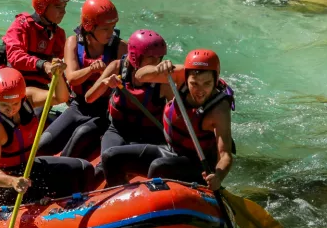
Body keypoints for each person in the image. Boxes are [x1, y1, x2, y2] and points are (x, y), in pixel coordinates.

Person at [97, 49, 234, 192]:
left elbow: (225, 155)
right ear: (187, 78)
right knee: (110, 157)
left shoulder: (219, 110)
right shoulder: (180, 75)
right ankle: (122, 199)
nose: (200, 90)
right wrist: (158, 69)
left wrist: (218, 176)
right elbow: (140, 75)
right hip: (171, 151)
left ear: (215, 80)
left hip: (198, 166)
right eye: (194, 84)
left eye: (207, 84)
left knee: (159, 167)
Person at [0, 65, 97, 205]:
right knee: (39, 191)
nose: (11, 109)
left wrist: (59, 75)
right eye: (4, 105)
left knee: (82, 168)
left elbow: (60, 97)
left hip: (26, 167)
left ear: (22, 97)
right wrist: (12, 181)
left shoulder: (28, 98)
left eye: (15, 103)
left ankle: (81, 206)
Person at [37, 0, 126, 159]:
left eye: (113, 27)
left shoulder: (120, 47)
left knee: (81, 135)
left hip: (105, 111)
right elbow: (72, 78)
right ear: (89, 26)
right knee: (43, 144)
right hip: (78, 105)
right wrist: (92, 69)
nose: (111, 33)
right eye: (105, 29)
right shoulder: (73, 42)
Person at [95, 30, 183, 185]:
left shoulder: (164, 82)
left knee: (124, 162)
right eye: (150, 57)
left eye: (159, 58)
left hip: (148, 135)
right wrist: (104, 84)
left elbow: (180, 116)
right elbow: (89, 97)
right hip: (117, 130)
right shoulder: (117, 67)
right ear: (136, 56)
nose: (156, 62)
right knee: (103, 166)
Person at [0, 0, 69, 100]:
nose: (63, 12)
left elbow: (58, 68)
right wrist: (43, 64)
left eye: (64, 7)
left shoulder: (59, 34)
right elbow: (15, 57)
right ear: (41, 6)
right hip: (11, 82)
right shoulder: (21, 25)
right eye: (58, 7)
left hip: (38, 86)